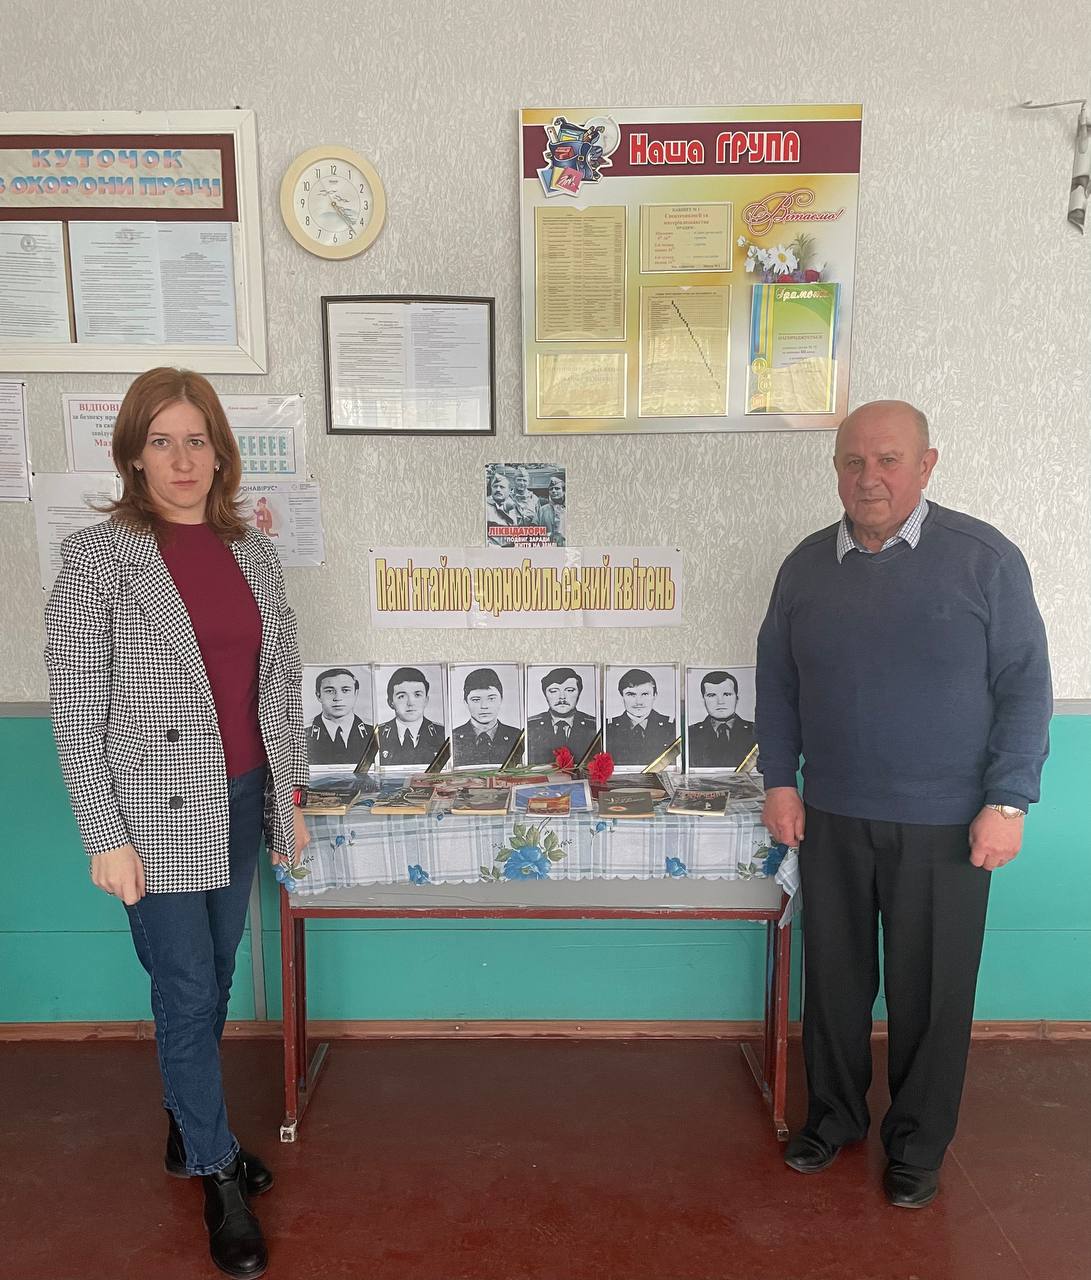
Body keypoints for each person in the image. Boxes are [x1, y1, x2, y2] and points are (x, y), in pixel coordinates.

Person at [45, 367, 311, 1277]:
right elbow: (76, 713)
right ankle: (216, 1171)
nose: (182, 458)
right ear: (132, 455)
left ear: (221, 454)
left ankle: (184, 1122)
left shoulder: (253, 553)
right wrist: (104, 836)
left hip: (241, 797)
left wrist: (289, 798)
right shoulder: (97, 558)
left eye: (197, 439)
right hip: (150, 814)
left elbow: (279, 689)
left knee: (215, 975)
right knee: (190, 989)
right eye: (161, 441)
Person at [756, 400, 1051, 1209]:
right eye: (853, 461)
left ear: (925, 465)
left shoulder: (984, 559)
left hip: (946, 822)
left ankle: (917, 1145)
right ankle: (833, 1118)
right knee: (834, 984)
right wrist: (779, 780)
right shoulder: (804, 567)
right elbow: (776, 683)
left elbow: (1025, 686)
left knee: (931, 995)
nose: (869, 477)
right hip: (832, 814)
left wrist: (1008, 802)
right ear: (835, 471)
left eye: (888, 460)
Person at [526, 666, 598, 765]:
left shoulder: (594, 726)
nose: (562, 697)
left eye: (570, 690)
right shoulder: (530, 726)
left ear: (579, 693)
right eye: (554, 691)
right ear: (545, 694)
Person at [605, 667, 677, 766]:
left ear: (655, 695)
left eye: (645, 694)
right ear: (622, 697)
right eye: (631, 694)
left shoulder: (671, 727)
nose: (638, 702)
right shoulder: (608, 729)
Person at [376, 666, 445, 767]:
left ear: (426, 700)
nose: (410, 703)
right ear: (390, 702)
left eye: (417, 695)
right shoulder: (378, 735)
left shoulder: (442, 733)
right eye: (401, 696)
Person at [451, 667, 521, 767]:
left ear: (501, 699)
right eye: (476, 700)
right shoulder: (453, 737)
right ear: (466, 703)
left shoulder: (517, 737)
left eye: (491, 698)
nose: (484, 706)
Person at [686, 670, 756, 768]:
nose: (720, 702)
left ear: (737, 698)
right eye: (712, 695)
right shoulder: (690, 734)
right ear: (703, 700)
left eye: (727, 694)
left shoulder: (756, 732)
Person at [307, 667, 374, 767]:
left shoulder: (372, 733)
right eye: (329, 691)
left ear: (356, 694)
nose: (338, 698)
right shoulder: (305, 734)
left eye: (345, 690)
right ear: (318, 696)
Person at [486, 469, 515, 544]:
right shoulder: (485, 507)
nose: (498, 489)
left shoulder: (512, 506)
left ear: (509, 490)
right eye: (495, 486)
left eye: (502, 487)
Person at [539, 473, 566, 546]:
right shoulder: (542, 510)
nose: (553, 491)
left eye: (557, 488)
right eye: (551, 489)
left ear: (564, 491)